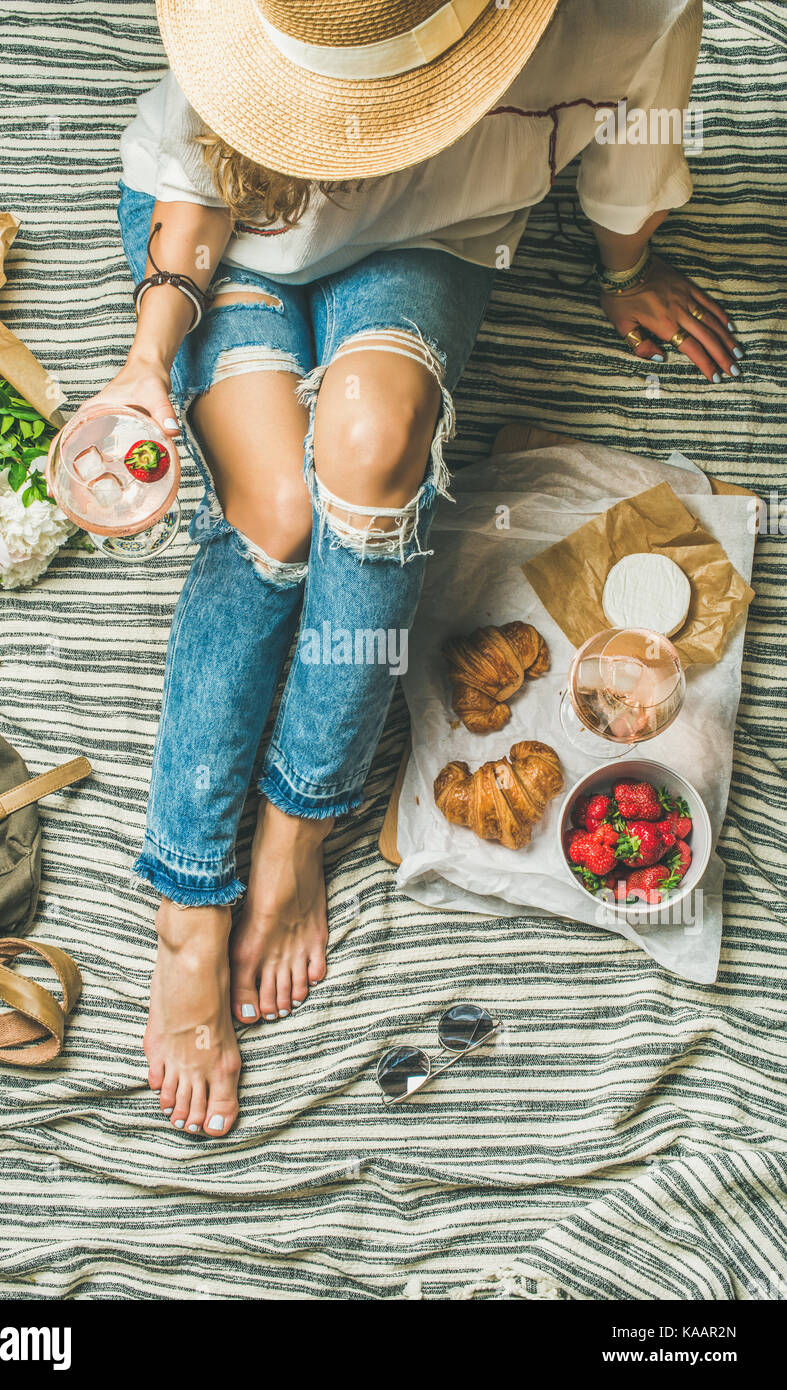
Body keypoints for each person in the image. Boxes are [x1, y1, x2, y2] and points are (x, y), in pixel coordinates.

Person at [87, 0, 741, 1136]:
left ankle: (298, 824)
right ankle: (189, 898)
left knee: (371, 452)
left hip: (429, 233)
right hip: (224, 232)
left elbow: (634, 130)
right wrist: (149, 361)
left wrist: (625, 262)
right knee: (276, 516)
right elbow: (195, 170)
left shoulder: (619, 9)